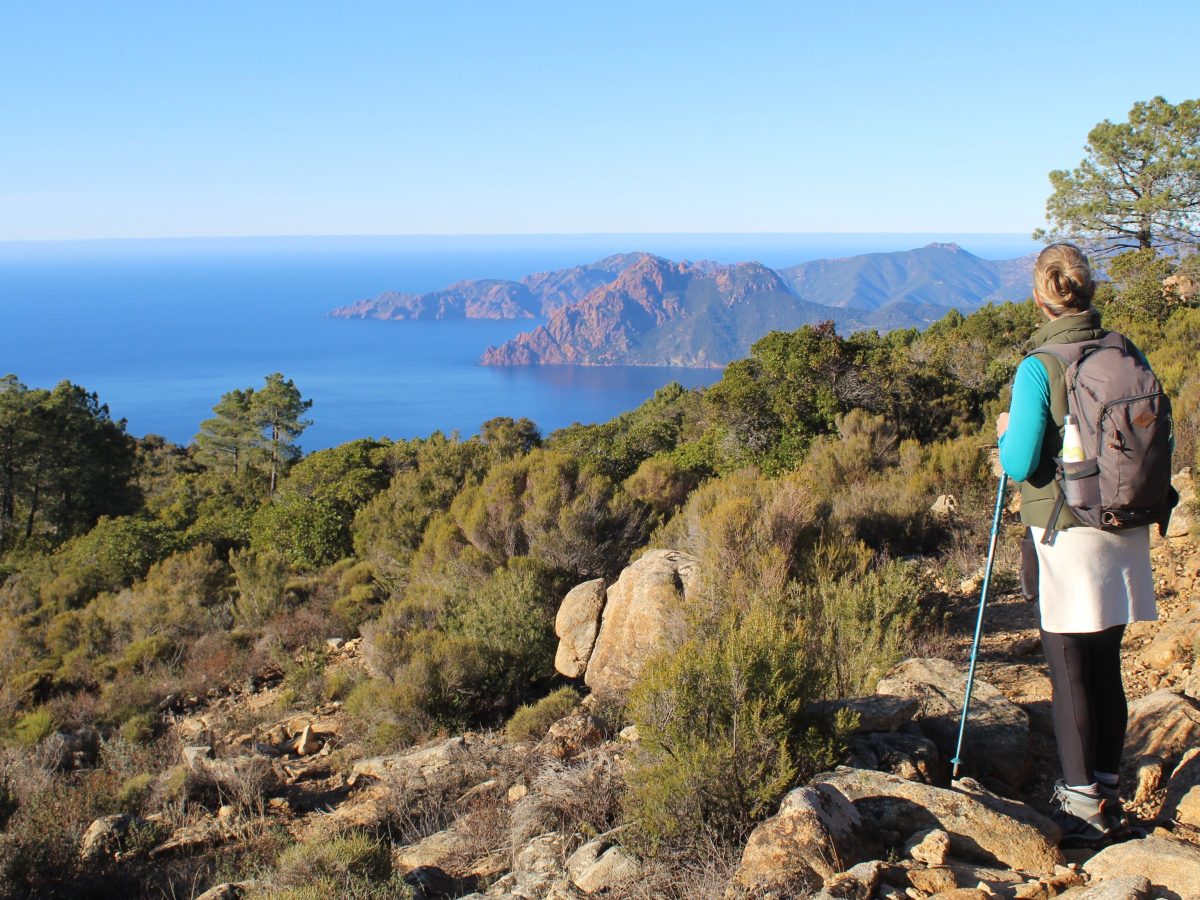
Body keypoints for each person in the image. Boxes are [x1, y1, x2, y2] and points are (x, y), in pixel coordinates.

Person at [996, 243, 1158, 847]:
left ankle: (1080, 804)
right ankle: (1107, 786)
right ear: (1087, 291)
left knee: (1069, 671)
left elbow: (1018, 461)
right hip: (1125, 520)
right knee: (1106, 661)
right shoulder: (1123, 349)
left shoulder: (1041, 364)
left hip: (1067, 529)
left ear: (1040, 297)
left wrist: (1008, 435)